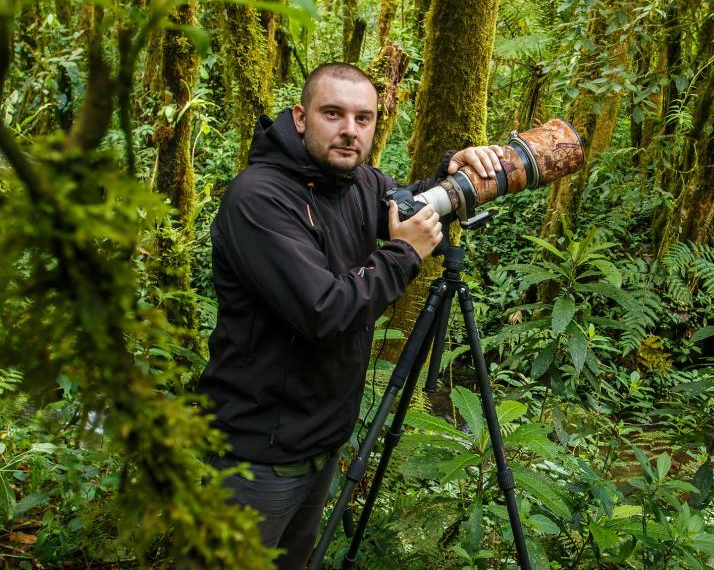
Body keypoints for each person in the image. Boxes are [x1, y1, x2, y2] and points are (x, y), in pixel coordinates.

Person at [195, 62, 504, 570]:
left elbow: (410, 204)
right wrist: (405, 255)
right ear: (300, 117)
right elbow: (325, 310)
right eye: (333, 114)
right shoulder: (258, 199)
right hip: (256, 457)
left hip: (320, 445)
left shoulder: (359, 183)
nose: (349, 130)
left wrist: (456, 172)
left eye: (364, 118)